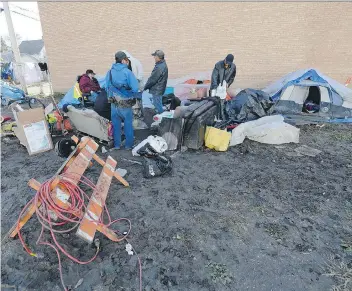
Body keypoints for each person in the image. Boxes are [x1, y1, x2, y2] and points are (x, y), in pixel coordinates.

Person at [105, 51, 140, 150]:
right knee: (128, 124)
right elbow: (135, 88)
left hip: (113, 104)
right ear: (124, 60)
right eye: (126, 60)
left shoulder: (110, 72)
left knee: (116, 125)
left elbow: (106, 87)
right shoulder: (127, 72)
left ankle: (117, 145)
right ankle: (128, 146)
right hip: (125, 103)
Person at [143, 50, 168, 118]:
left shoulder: (159, 67)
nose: (154, 57)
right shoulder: (161, 65)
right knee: (157, 104)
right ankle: (161, 118)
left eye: (155, 56)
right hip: (159, 89)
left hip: (157, 90)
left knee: (158, 106)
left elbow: (152, 80)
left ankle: (163, 119)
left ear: (158, 57)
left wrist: (144, 87)